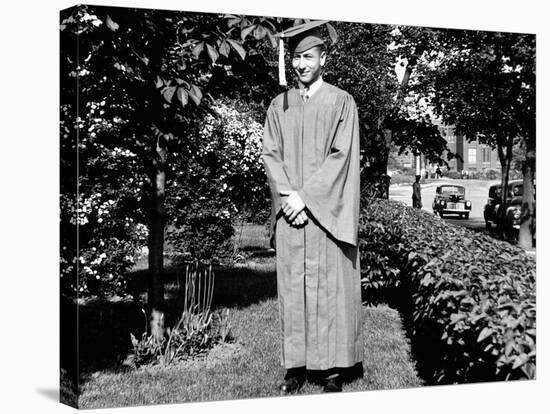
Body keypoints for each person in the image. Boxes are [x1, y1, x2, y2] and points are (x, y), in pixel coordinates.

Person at [262, 20, 363, 394]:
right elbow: (270, 154)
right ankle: (296, 367)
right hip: (291, 213)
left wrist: (305, 197)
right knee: (293, 289)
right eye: (296, 57)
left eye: (308, 57)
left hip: (325, 214)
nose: (301, 64)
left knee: (328, 288)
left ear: (324, 59)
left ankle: (331, 370)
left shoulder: (341, 102)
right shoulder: (279, 105)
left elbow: (342, 157)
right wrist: (288, 196)